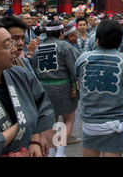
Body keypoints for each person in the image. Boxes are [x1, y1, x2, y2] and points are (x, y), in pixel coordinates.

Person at [74, 19, 123, 157]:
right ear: (120, 41)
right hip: (116, 121)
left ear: (97, 40)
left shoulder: (83, 58)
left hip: (90, 121)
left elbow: (79, 78)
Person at [0, 22, 55, 157]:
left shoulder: (20, 74)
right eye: (7, 45)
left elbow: (42, 105)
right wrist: (24, 122)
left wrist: (35, 139)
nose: (14, 49)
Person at [31, 20, 81, 157]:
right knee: (68, 120)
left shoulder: (38, 49)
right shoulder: (66, 46)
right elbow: (75, 69)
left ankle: (51, 151)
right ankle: (60, 152)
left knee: (50, 121)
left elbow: (34, 70)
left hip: (43, 88)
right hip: (63, 87)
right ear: (61, 33)